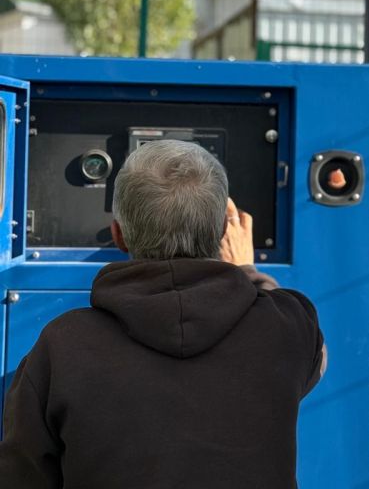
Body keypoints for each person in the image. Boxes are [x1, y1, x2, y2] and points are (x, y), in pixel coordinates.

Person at [0, 140, 325, 489]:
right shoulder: (287, 327)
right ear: (223, 233)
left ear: (118, 234)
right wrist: (246, 270)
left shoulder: (62, 344)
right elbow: (315, 360)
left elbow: (22, 476)